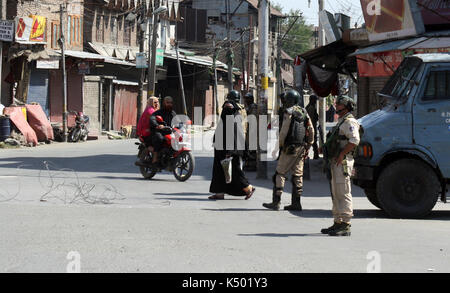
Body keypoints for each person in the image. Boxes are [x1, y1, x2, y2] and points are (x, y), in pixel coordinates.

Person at [263, 89, 314, 211]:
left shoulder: (289, 112)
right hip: (301, 147)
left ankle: (276, 202)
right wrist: (309, 144)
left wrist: (279, 146)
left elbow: (284, 131)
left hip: (289, 148)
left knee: (280, 173)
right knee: (297, 175)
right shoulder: (304, 112)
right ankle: (296, 203)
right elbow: (311, 129)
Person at [321, 95, 360, 236]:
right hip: (336, 161)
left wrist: (342, 153)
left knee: (343, 192)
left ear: (346, 106)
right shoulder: (341, 121)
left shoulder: (350, 122)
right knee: (336, 192)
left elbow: (354, 140)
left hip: (343, 162)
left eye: (339, 104)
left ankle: (345, 224)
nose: (336, 107)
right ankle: (337, 221)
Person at [208, 99, 255, 200]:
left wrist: (229, 152)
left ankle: (248, 188)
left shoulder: (232, 119)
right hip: (221, 150)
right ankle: (219, 193)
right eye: (225, 108)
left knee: (235, 172)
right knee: (219, 172)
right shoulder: (227, 119)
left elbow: (233, 138)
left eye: (229, 108)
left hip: (231, 152)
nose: (227, 110)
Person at [149, 96, 177, 164]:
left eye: (170, 103)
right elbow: (152, 118)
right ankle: (155, 157)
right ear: (164, 103)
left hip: (169, 132)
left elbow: (177, 120)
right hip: (159, 132)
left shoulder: (173, 113)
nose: (169, 104)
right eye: (167, 102)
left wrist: (182, 126)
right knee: (159, 138)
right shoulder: (159, 112)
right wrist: (157, 125)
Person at [135, 97, 159, 166]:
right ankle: (143, 160)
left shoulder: (153, 110)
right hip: (146, 133)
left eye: (157, 102)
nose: (157, 103)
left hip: (151, 131)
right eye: (155, 102)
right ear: (150, 103)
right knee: (157, 144)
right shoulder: (150, 110)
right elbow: (156, 120)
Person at [243, 92, 258, 171]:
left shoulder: (253, 107)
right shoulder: (249, 107)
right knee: (248, 148)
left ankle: (252, 165)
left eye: (247, 99)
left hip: (252, 130)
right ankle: (248, 164)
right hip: (249, 130)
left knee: (252, 148)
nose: (245, 100)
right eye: (245, 99)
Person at [306, 95, 319, 159]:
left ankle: (315, 155)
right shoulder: (311, 108)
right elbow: (310, 119)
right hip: (311, 128)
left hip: (311, 127)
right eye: (315, 100)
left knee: (312, 142)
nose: (315, 102)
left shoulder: (310, 107)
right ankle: (314, 155)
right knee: (312, 141)